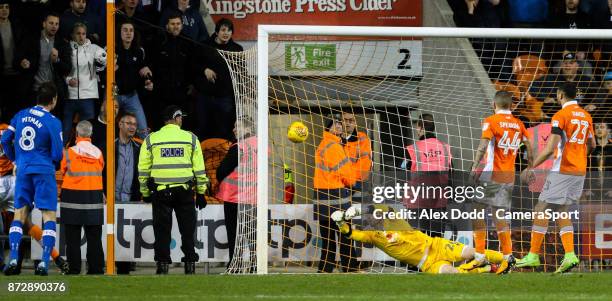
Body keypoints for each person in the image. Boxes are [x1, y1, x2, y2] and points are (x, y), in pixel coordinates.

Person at [517, 82, 596, 273]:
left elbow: (550, 148)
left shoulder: (560, 115)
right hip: (579, 171)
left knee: (541, 208)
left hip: (563, 168)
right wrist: (579, 156)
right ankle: (570, 255)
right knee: (562, 210)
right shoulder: (586, 116)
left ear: (561, 95)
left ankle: (533, 255)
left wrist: (530, 167)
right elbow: (592, 144)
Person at [464, 91, 533, 274]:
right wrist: (530, 167)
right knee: (499, 217)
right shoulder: (519, 124)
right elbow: (529, 146)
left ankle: (479, 256)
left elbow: (483, 146)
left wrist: (473, 168)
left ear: (495, 105)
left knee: (477, 211)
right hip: (509, 177)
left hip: (492, 175)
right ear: (510, 105)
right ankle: (507, 257)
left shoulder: (491, 121)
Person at [330, 205, 506, 274]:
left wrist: (362, 208)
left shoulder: (394, 220)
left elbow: (387, 208)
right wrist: (340, 222)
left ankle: (507, 259)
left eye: (370, 217)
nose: (369, 220)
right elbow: (351, 234)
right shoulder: (373, 236)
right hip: (427, 264)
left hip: (436, 246)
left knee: (472, 252)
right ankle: (487, 268)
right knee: (454, 274)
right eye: (367, 220)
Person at [1, 82, 64, 276]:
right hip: (43, 170)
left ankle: (12, 258)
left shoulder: (20, 115)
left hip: (23, 170)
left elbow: (4, 140)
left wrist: (15, 159)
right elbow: (58, 153)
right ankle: (44, 263)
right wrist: (51, 164)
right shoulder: (53, 121)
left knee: (19, 215)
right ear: (53, 100)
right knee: (48, 216)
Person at [138, 105, 208, 274]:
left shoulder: (151, 139)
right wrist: (201, 192)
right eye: (180, 117)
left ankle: (162, 265)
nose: (182, 120)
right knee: (187, 230)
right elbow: (199, 169)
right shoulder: (190, 138)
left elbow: (143, 170)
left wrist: (145, 192)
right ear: (176, 118)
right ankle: (190, 265)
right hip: (184, 191)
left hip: (161, 192)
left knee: (162, 231)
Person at [314, 114, 359, 273]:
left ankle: (326, 268)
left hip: (321, 196)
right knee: (345, 235)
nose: (339, 126)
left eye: (340, 124)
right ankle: (350, 267)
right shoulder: (333, 146)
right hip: (337, 195)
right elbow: (344, 172)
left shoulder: (324, 144)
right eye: (335, 124)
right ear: (329, 128)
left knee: (327, 238)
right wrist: (353, 184)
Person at [59, 120, 105, 275]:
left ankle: (74, 269)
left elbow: (63, 170)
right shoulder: (99, 153)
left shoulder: (68, 152)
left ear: (77, 134)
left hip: (72, 197)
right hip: (94, 197)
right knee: (94, 238)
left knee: (72, 238)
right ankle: (96, 269)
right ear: (91, 134)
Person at [401, 113, 452, 237]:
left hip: (418, 202)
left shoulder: (412, 149)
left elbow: (402, 174)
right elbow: (451, 174)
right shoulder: (445, 148)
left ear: (419, 127)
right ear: (433, 127)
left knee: (420, 243)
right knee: (437, 241)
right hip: (440, 202)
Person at [216, 118, 257, 269]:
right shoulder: (261, 145)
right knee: (252, 233)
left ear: (247, 128)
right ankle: (255, 264)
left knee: (234, 233)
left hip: (235, 197)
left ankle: (236, 263)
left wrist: (218, 181)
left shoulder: (239, 147)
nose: (234, 130)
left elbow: (222, 170)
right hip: (254, 197)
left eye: (237, 126)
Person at [194, 18, 243, 140]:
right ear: (217, 32)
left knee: (224, 130)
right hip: (205, 96)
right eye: (223, 30)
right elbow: (193, 65)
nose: (226, 33)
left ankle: (222, 158)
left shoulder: (237, 49)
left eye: (229, 30)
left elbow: (241, 72)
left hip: (225, 98)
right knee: (203, 128)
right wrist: (204, 70)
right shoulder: (204, 45)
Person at [16, 12, 72, 107]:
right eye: (51, 23)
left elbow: (67, 68)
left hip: (53, 92)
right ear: (44, 24)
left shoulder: (62, 43)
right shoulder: (31, 40)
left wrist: (57, 60)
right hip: (34, 91)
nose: (54, 26)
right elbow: (17, 59)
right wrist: (22, 62)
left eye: (56, 24)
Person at [63, 22, 107, 141]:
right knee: (65, 129)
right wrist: (68, 81)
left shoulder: (93, 48)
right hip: (70, 96)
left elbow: (104, 59)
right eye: (78, 33)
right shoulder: (66, 48)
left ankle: (86, 155)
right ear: (72, 35)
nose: (81, 36)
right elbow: (61, 70)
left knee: (87, 131)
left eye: (83, 33)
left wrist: (103, 59)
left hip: (87, 96)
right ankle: (63, 155)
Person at [149, 12, 194, 130]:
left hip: (182, 93)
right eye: (172, 24)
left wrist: (191, 85)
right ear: (167, 26)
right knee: (161, 124)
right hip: (162, 92)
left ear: (182, 25)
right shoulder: (158, 41)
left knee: (182, 124)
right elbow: (152, 64)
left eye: (178, 23)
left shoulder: (188, 42)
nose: (175, 26)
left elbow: (193, 65)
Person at [116, 20, 153, 139]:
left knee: (143, 130)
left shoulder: (139, 51)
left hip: (132, 96)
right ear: (119, 32)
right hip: (113, 95)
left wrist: (148, 80)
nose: (128, 33)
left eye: (131, 30)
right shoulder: (111, 49)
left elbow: (143, 69)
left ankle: (146, 156)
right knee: (107, 127)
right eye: (125, 30)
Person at [0, 0, 27, 123]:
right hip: (2, 74)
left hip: (16, 73)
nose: (4, 10)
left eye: (7, 7)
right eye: (1, 7)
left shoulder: (16, 24)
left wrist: (22, 60)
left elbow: (22, 46)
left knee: (15, 107)